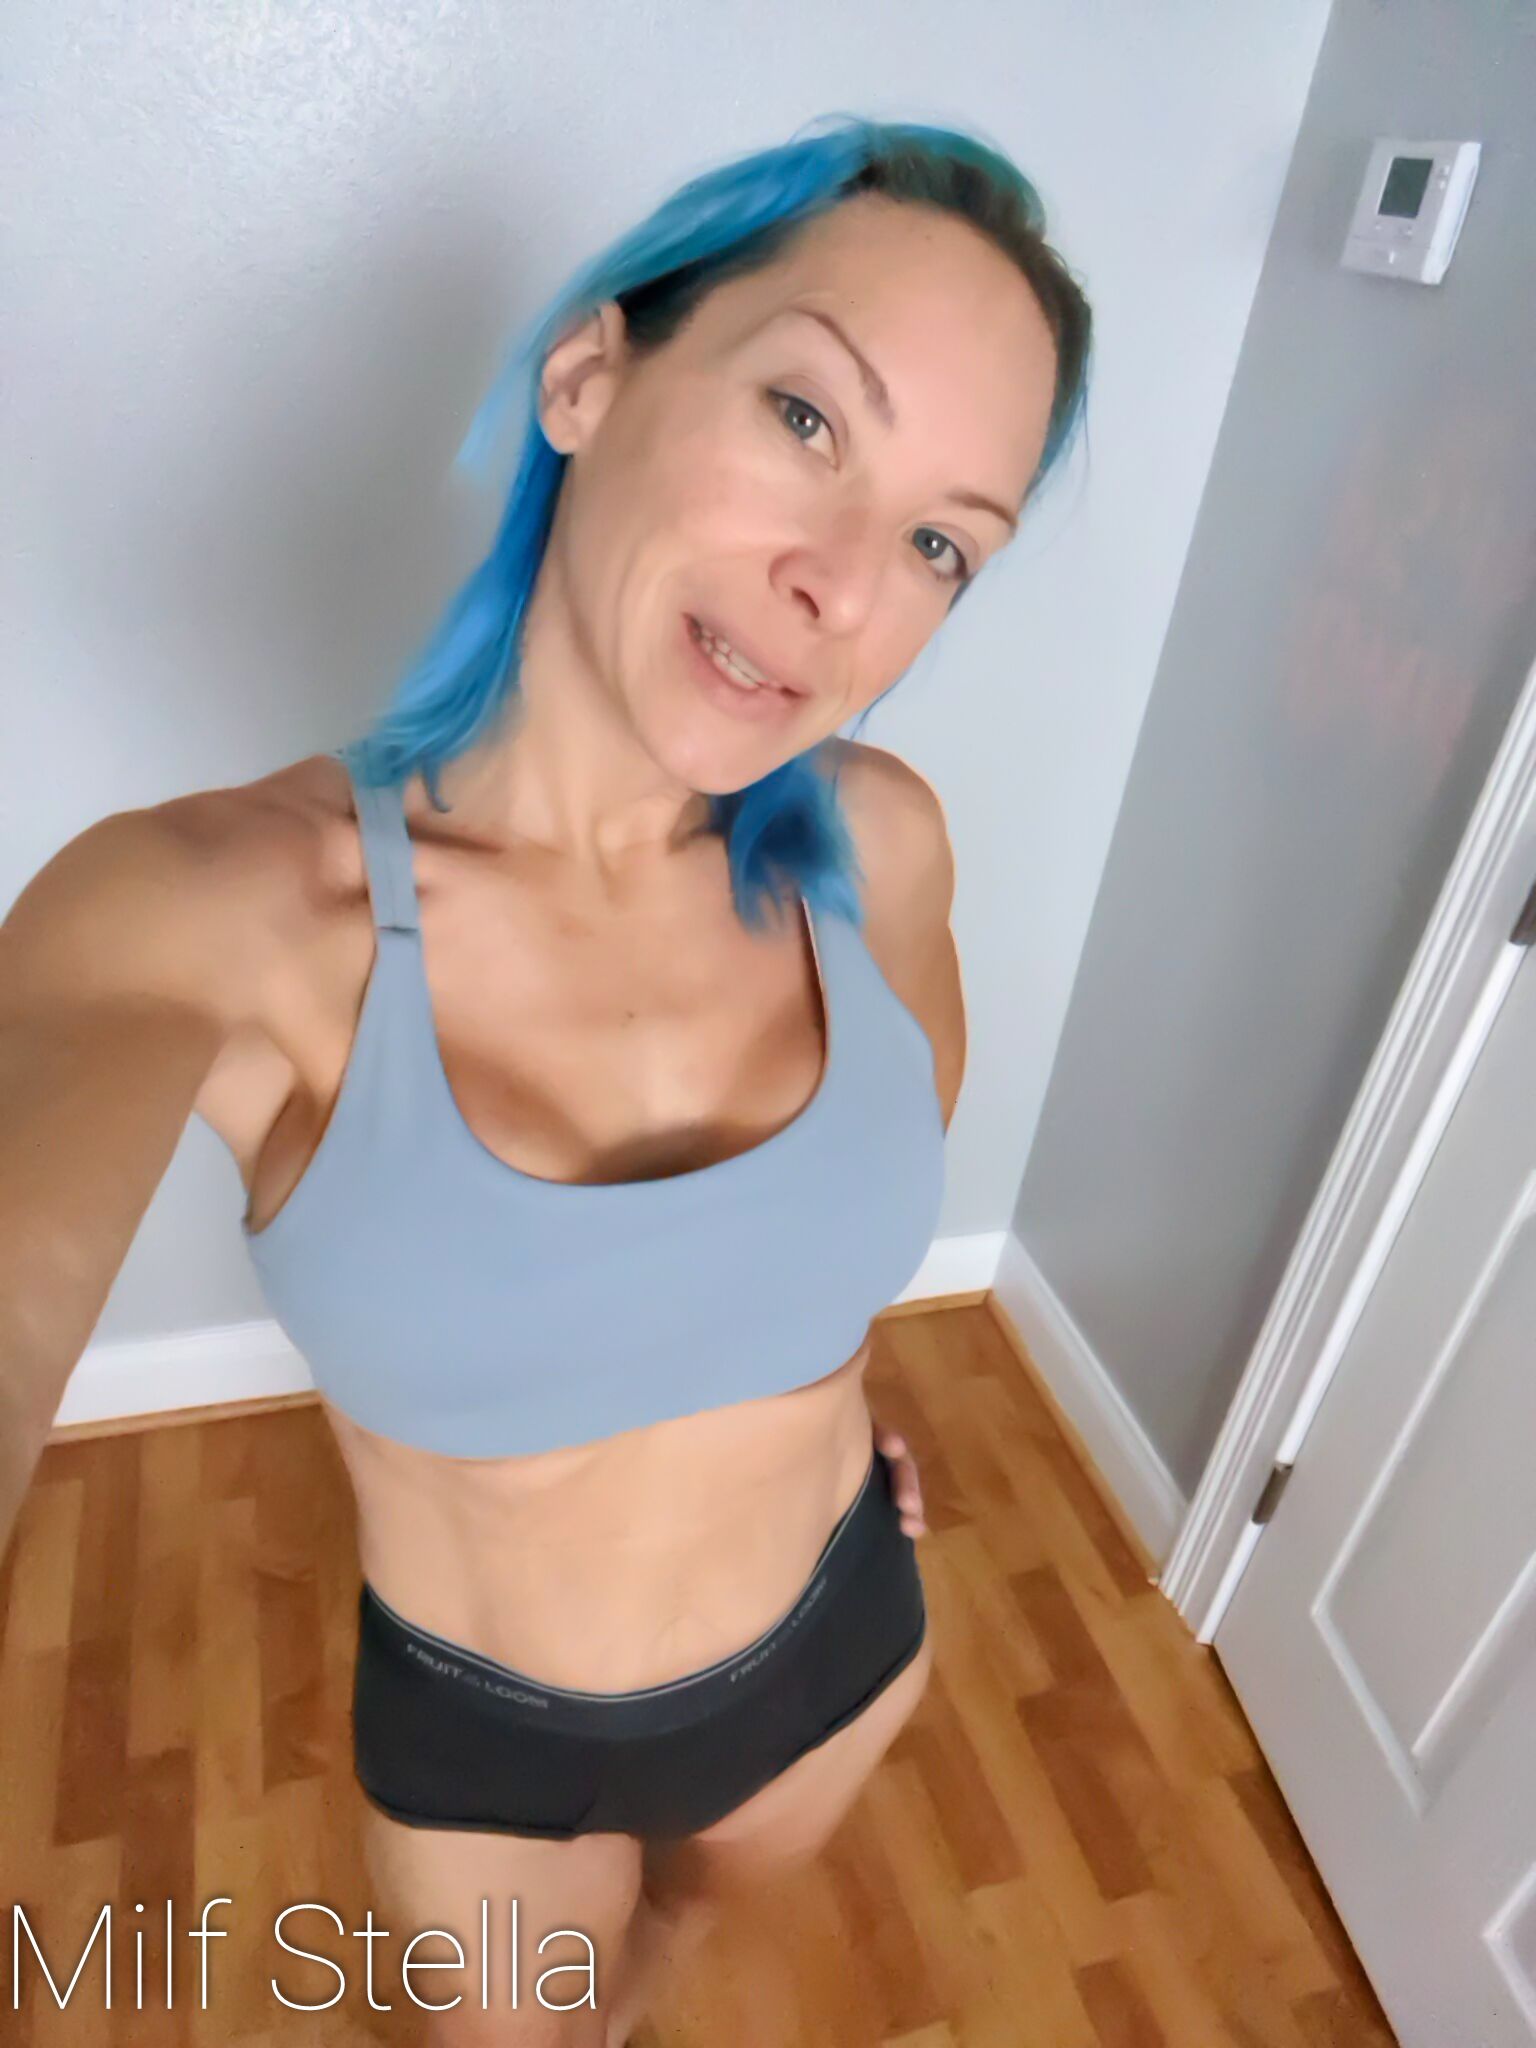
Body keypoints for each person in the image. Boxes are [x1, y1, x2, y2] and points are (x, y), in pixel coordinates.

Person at [0, 114, 1090, 2046]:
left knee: (677, 1952)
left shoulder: (886, 849)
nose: (843, 584)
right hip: (497, 1746)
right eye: (808, 417)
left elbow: (868, 1191)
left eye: (942, 543)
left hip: (843, 1645)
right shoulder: (217, 914)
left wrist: (834, 1398)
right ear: (589, 374)